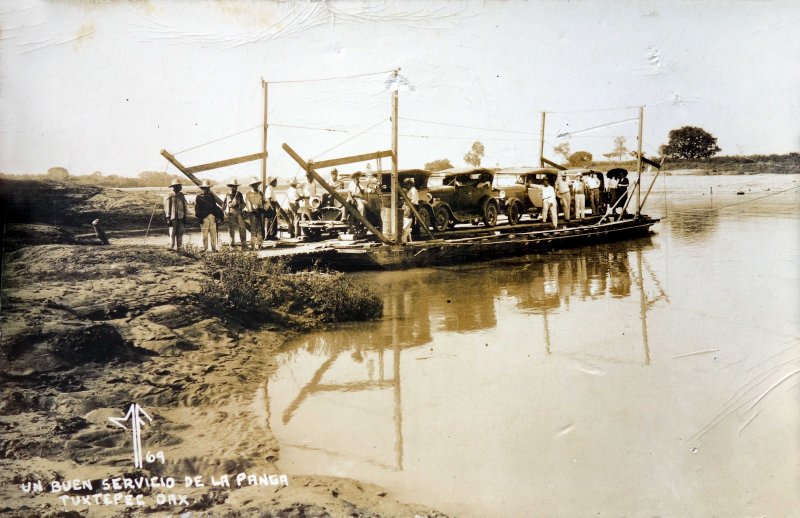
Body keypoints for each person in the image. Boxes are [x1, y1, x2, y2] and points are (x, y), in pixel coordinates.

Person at [195, 179, 223, 251]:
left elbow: (215, 207)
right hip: (203, 218)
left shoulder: (211, 196)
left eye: (207, 188)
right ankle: (205, 248)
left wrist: (219, 216)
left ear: (209, 189)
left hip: (212, 217)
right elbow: (197, 208)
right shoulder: (199, 197)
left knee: (213, 233)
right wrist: (199, 218)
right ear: (202, 188)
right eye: (204, 188)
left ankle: (214, 248)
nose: (206, 190)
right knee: (204, 234)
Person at [163, 178, 188, 250]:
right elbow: (167, 207)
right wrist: (168, 218)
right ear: (175, 187)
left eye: (181, 186)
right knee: (172, 233)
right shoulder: (170, 195)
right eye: (179, 186)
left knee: (180, 232)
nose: (181, 187)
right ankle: (171, 247)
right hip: (172, 217)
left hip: (181, 216)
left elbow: (184, 205)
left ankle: (179, 247)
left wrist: (185, 215)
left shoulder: (181, 195)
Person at [223, 179, 247, 247]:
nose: (234, 188)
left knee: (242, 228)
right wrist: (235, 202)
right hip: (231, 213)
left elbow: (243, 203)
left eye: (235, 186)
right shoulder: (228, 194)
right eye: (233, 186)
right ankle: (231, 245)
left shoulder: (239, 194)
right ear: (230, 187)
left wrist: (240, 206)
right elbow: (230, 204)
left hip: (239, 212)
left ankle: (244, 244)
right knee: (231, 229)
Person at [244, 177, 265, 249]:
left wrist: (263, 208)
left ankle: (259, 243)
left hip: (259, 212)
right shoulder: (248, 194)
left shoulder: (260, 193)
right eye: (254, 185)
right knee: (253, 228)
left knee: (259, 228)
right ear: (252, 185)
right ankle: (252, 244)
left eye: (257, 185)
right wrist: (252, 210)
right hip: (252, 213)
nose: (256, 186)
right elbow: (248, 203)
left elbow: (265, 201)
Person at [401, 178, 419, 243]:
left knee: (405, 226)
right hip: (408, 208)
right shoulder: (410, 190)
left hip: (410, 208)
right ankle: (409, 241)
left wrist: (410, 212)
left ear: (410, 184)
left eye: (406, 185)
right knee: (407, 227)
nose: (406, 186)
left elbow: (413, 202)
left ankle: (404, 242)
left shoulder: (413, 191)